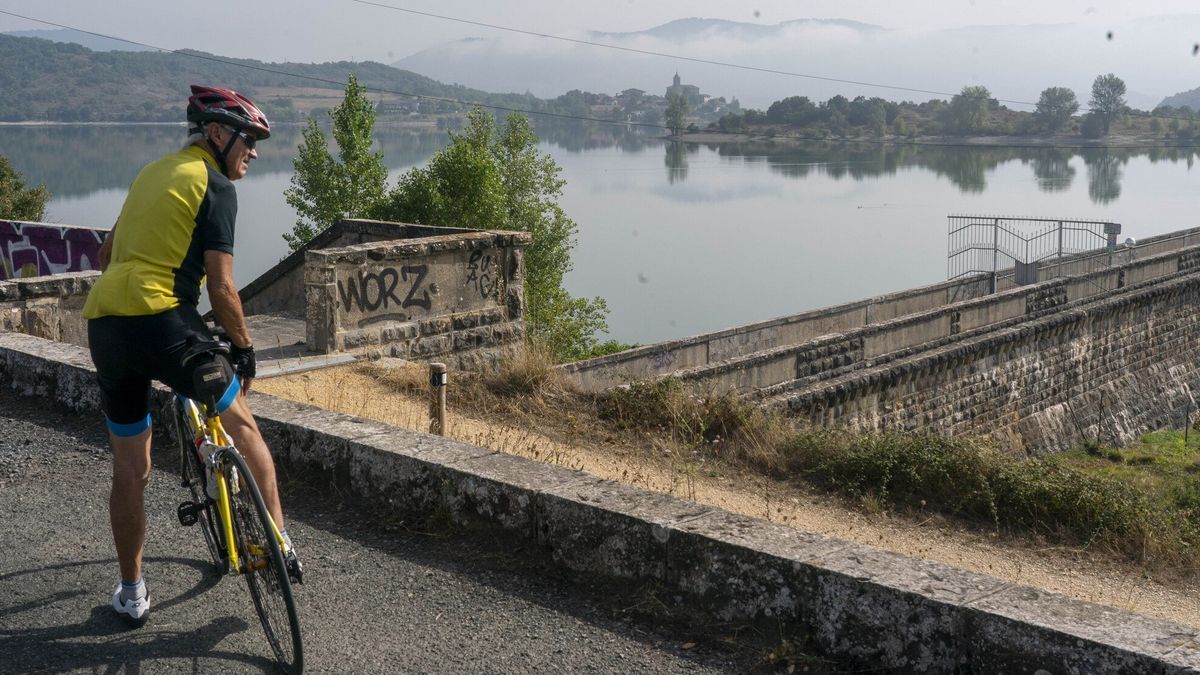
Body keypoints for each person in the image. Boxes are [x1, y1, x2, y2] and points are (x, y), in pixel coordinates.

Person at [83, 85, 301, 628]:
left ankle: (131, 592)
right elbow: (223, 290)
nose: (253, 151)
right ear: (218, 135)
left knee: (130, 469)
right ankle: (280, 546)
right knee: (242, 421)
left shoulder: (150, 173)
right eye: (248, 139)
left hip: (106, 323)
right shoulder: (218, 187)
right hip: (163, 322)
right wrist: (245, 352)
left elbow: (106, 254)